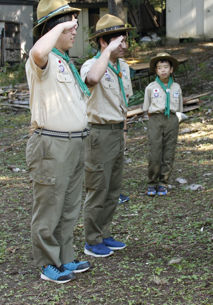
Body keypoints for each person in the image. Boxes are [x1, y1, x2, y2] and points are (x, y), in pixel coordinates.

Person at [25, 0, 92, 284]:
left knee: (69, 205)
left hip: (76, 142)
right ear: (53, 27)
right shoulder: (43, 59)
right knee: (50, 205)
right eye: (69, 25)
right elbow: (38, 51)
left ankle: (65, 256)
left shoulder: (65, 61)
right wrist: (57, 25)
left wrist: (64, 23)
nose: (75, 29)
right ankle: (47, 263)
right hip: (52, 144)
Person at [80, 14, 134, 258]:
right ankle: (91, 240)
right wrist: (106, 52)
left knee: (113, 188)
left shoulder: (123, 67)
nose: (124, 46)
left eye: (125, 41)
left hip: (116, 132)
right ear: (103, 42)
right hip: (98, 134)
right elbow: (92, 80)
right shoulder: (91, 65)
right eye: (118, 41)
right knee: (97, 188)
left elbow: (123, 102)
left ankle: (104, 233)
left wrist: (123, 132)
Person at [142, 52, 183, 196]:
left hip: (171, 119)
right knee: (155, 151)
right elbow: (146, 108)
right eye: (160, 68)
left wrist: (175, 119)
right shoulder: (150, 87)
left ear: (171, 69)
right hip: (156, 119)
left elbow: (179, 108)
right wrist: (154, 119)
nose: (163, 70)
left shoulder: (177, 87)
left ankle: (163, 182)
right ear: (156, 70)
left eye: (166, 67)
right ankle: (152, 182)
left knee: (169, 150)